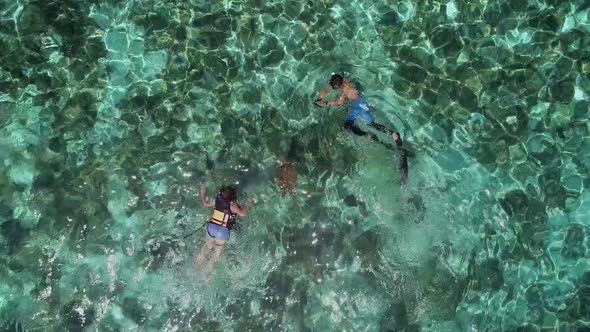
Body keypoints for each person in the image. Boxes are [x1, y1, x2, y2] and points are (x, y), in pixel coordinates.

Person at [314, 74, 409, 184]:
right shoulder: (346, 82)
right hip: (361, 102)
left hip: (358, 106)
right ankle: (394, 136)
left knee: (348, 125)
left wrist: (326, 103)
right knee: (372, 124)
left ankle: (368, 135)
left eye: (334, 87)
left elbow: (340, 102)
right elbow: (327, 90)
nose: (333, 88)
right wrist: (320, 98)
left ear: (338, 85)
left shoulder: (345, 91)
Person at [194, 184, 250, 276]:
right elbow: (243, 213)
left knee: (206, 247)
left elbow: (205, 203)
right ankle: (205, 274)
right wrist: (249, 203)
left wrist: (202, 193)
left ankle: (196, 267)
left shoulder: (217, 200)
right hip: (221, 232)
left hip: (211, 228)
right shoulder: (233, 205)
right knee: (216, 254)